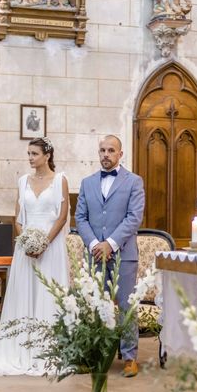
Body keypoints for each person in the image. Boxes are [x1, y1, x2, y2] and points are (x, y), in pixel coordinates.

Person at [0, 137, 70, 376]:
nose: (30, 158)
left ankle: (48, 349)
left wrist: (44, 243)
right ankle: (20, 348)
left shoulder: (60, 180)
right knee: (24, 294)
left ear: (47, 155)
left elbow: (62, 217)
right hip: (26, 249)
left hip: (51, 248)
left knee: (47, 294)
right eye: (29, 153)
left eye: (34, 153)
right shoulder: (23, 181)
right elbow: (18, 218)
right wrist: (25, 241)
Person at [75, 135, 145, 378]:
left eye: (111, 150)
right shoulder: (87, 183)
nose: (106, 154)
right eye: (102, 150)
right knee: (94, 304)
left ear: (120, 154)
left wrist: (111, 244)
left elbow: (134, 218)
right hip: (95, 254)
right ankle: (94, 354)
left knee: (126, 306)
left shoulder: (134, 182)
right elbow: (80, 218)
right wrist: (96, 244)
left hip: (123, 255)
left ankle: (129, 357)